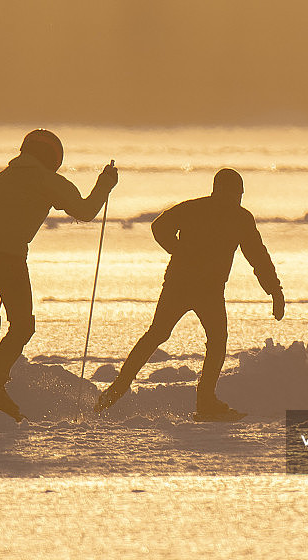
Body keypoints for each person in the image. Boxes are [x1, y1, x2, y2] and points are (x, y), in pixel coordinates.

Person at [95, 168, 283, 421]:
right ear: (224, 191)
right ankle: (123, 390)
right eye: (236, 193)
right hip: (190, 286)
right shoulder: (226, 214)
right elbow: (159, 227)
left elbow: (257, 255)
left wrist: (274, 290)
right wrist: (177, 249)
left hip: (196, 286)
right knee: (180, 336)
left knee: (194, 338)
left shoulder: (214, 212)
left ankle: (201, 401)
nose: (237, 199)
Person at [0, 129, 118, 420]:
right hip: (8, 258)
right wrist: (105, 184)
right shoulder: (46, 180)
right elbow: (85, 210)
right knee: (21, 327)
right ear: (51, 157)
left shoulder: (4, 176)